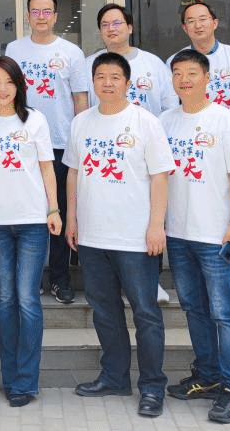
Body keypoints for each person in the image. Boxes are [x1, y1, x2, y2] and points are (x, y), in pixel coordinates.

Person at [66, 53, 173, 419]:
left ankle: (153, 386)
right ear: (92, 82)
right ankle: (114, 377)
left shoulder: (145, 122)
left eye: (115, 76)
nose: (107, 82)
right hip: (93, 237)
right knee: (105, 312)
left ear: (127, 82)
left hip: (136, 239)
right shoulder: (81, 122)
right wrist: (72, 219)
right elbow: (73, 172)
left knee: (146, 313)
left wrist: (156, 225)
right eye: (100, 76)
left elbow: (160, 176)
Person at [161, 49, 230, 425]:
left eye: (191, 73)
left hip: (215, 234)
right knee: (194, 308)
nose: (184, 80)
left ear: (207, 78)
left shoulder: (225, 120)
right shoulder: (164, 121)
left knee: (225, 312)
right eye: (177, 73)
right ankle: (208, 375)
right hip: (177, 233)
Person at [0, 56, 60, 407]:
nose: (2, 88)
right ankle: (10, 379)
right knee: (6, 300)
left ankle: (26, 381)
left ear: (19, 85)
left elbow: (47, 168)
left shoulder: (35, 119)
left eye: (9, 82)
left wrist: (54, 209)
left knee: (27, 299)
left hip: (32, 221)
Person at [4, 0, 89, 304]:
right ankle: (31, 277)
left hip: (60, 144)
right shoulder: (14, 49)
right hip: (22, 145)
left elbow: (80, 98)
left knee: (59, 211)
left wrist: (79, 140)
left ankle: (59, 277)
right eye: (35, 11)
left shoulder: (71, 52)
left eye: (47, 11)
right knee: (28, 212)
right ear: (28, 16)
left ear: (55, 16)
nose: (41, 17)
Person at [84, 3, 174, 115]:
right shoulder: (88, 65)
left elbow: (170, 103)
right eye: (105, 25)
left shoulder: (153, 63)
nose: (111, 28)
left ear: (130, 28)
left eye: (116, 23)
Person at [165, 1, 230, 111]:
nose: (198, 26)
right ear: (185, 28)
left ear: (215, 23)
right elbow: (171, 100)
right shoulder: (175, 62)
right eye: (191, 21)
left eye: (202, 19)